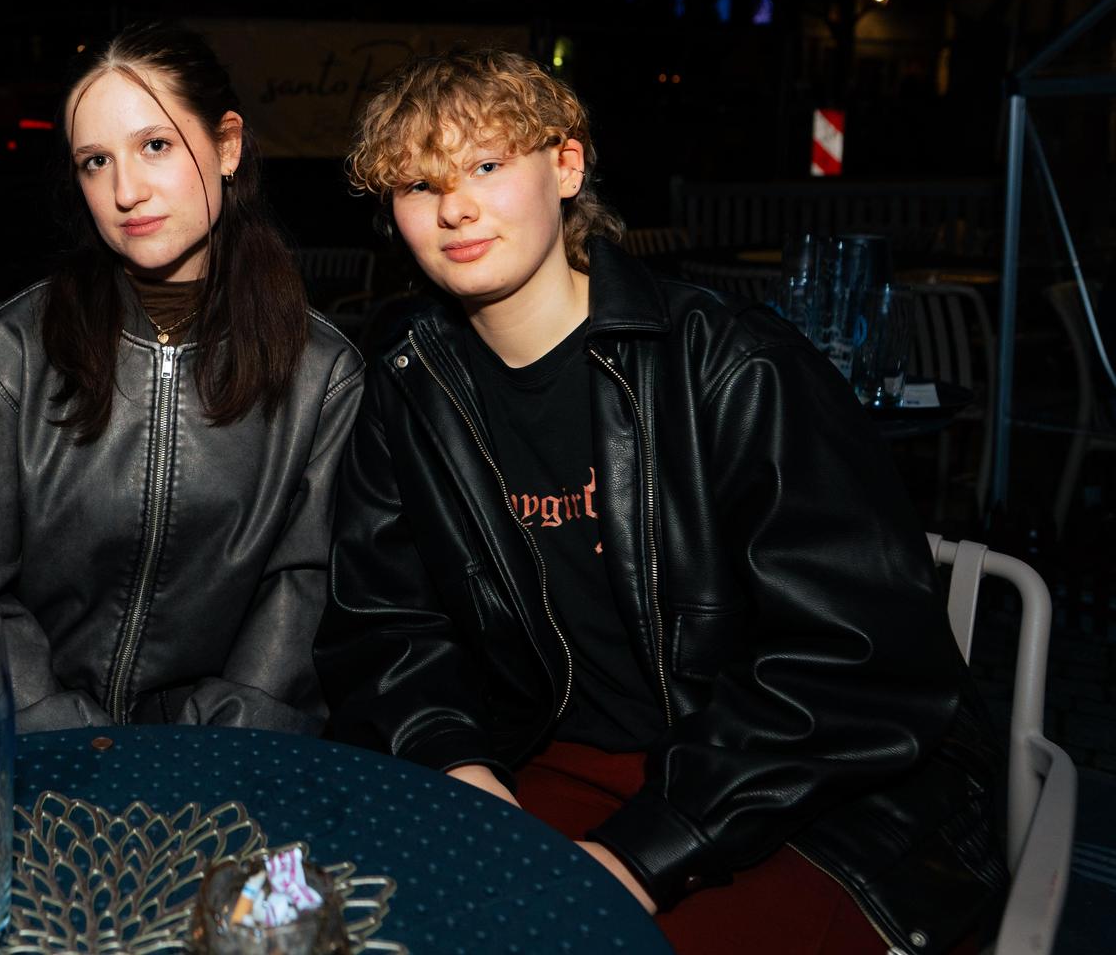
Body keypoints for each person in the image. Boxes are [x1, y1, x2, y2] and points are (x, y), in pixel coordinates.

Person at [316, 49, 1005, 954]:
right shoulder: (410, 381)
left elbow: (855, 667)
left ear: (565, 166)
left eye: (485, 164)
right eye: (417, 184)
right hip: (549, 763)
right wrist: (455, 763)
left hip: (799, 795)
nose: (454, 208)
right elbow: (385, 624)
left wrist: (641, 855)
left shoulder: (734, 367)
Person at [0, 22, 363, 733]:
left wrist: (205, 754)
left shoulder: (321, 373)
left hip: (223, 762)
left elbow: (302, 594)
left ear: (226, 146)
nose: (125, 191)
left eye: (155, 146)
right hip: (42, 754)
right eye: (95, 161)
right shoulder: (12, 352)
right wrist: (69, 737)